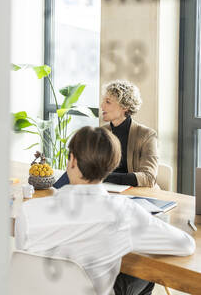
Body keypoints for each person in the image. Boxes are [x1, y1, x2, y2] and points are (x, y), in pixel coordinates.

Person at [15, 126, 195, 295]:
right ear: (111, 166)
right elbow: (185, 245)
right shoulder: (124, 212)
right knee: (143, 277)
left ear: (72, 161)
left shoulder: (28, 211)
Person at [54, 80, 158, 188]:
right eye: (103, 101)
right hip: (105, 191)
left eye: (108, 102)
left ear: (124, 106)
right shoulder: (102, 132)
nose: (102, 106)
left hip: (138, 194)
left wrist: (103, 176)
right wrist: (54, 189)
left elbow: (148, 178)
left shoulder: (146, 135)